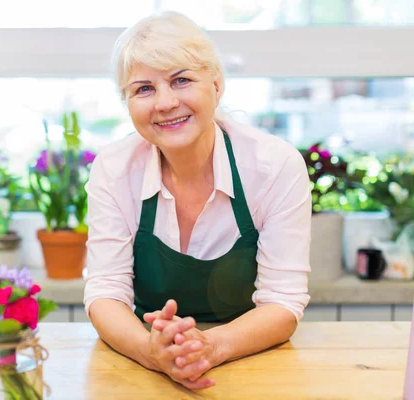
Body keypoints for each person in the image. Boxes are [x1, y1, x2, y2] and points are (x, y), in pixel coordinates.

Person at [83, 11, 311, 390]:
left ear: (216, 86)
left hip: (249, 358)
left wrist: (208, 347)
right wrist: (152, 352)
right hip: (143, 367)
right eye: (143, 89)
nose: (165, 102)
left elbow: (282, 303)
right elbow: (106, 293)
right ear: (127, 102)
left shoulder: (274, 165)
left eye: (181, 80)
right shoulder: (114, 168)